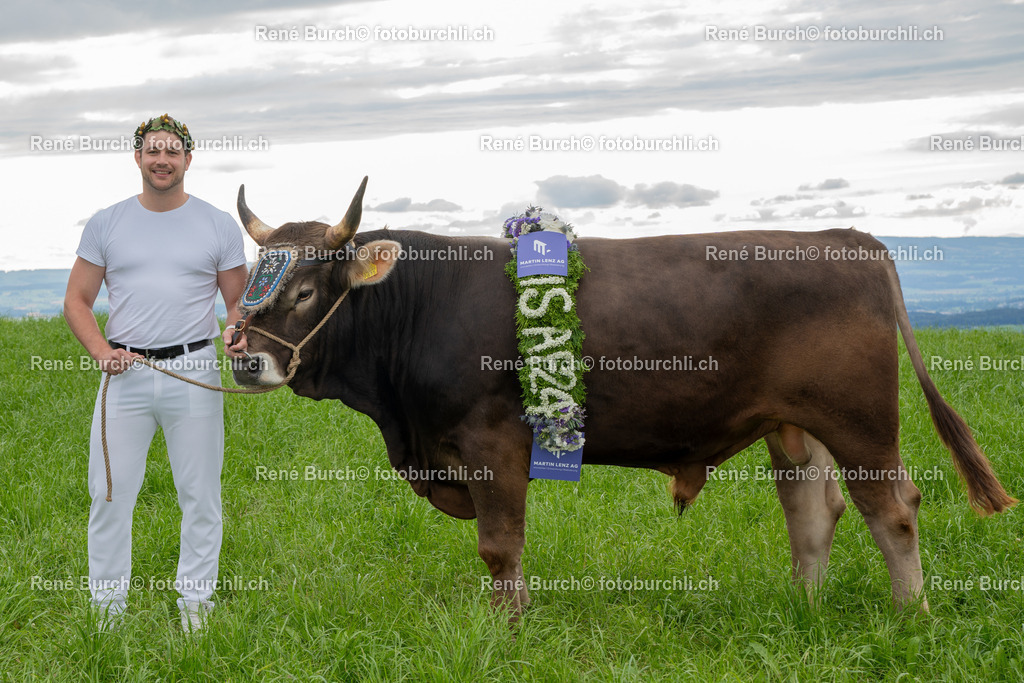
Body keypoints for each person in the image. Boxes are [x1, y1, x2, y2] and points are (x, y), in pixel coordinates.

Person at [64, 114, 250, 633]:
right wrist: (102, 352)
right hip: (124, 371)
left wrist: (236, 332)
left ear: (188, 159)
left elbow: (237, 302)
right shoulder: (107, 222)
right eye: (153, 151)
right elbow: (77, 301)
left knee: (201, 496)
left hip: (194, 369)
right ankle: (107, 618)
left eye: (172, 151)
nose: (162, 159)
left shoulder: (216, 224)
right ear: (138, 157)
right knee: (109, 493)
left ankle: (195, 613)